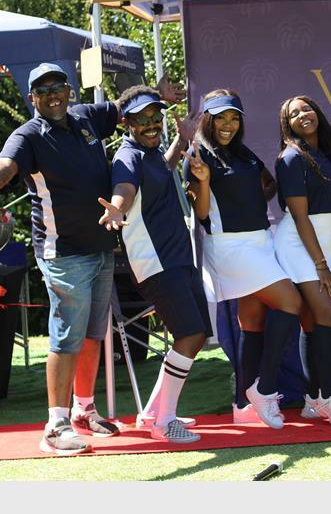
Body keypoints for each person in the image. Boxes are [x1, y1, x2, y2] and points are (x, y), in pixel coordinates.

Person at [0, 63, 183, 455]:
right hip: (63, 253)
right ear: (32, 98)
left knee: (92, 334)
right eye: (43, 90)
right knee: (67, 335)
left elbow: (125, 107)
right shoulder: (28, 136)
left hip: (100, 247)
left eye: (58, 87)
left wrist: (158, 92)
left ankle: (84, 409)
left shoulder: (86, 117)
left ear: (69, 90)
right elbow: (4, 166)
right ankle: (55, 425)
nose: (52, 95)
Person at [182, 89, 303, 430]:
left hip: (260, 241)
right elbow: (201, 213)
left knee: (251, 321)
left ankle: (242, 404)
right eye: (220, 117)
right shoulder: (198, 154)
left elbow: (268, 184)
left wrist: (254, 199)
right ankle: (264, 389)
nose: (228, 124)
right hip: (231, 247)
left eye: (234, 118)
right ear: (207, 119)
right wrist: (204, 181)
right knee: (291, 303)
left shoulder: (241, 151)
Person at [98, 84, 207, 443]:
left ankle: (151, 414)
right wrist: (117, 208)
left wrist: (182, 139)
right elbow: (125, 189)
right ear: (126, 123)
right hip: (156, 263)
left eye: (155, 117)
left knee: (194, 335)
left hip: (177, 259)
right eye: (141, 119)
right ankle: (164, 422)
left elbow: (163, 168)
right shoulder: (127, 157)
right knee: (190, 335)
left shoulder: (151, 152)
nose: (150, 124)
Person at [273, 95, 331, 428]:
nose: (302, 115)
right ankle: (329, 397)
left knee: (311, 320)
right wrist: (321, 264)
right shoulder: (291, 158)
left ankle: (312, 399)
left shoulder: (326, 154)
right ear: (287, 125)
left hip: (326, 241)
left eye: (306, 109)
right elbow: (300, 217)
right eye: (294, 114)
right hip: (300, 242)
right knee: (327, 313)